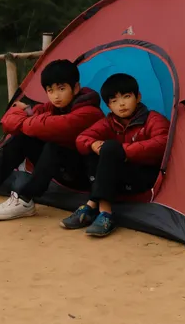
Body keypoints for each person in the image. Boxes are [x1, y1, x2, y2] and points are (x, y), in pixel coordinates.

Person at [0, 60, 104, 220]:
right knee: (22, 138)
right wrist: (30, 120)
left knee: (54, 146)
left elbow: (57, 127)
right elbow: (8, 119)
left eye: (61, 89)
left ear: (75, 88)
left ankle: (25, 199)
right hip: (61, 170)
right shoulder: (53, 108)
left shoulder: (89, 112)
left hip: (84, 176)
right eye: (50, 90)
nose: (56, 96)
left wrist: (28, 118)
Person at [62, 73, 170, 237]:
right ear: (108, 106)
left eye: (126, 97)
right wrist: (93, 144)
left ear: (138, 97)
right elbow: (82, 138)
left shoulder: (153, 119)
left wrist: (122, 151)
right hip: (118, 178)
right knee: (95, 150)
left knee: (111, 147)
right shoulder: (109, 122)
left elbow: (162, 143)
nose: (121, 104)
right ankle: (95, 207)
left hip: (144, 177)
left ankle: (103, 212)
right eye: (114, 101)